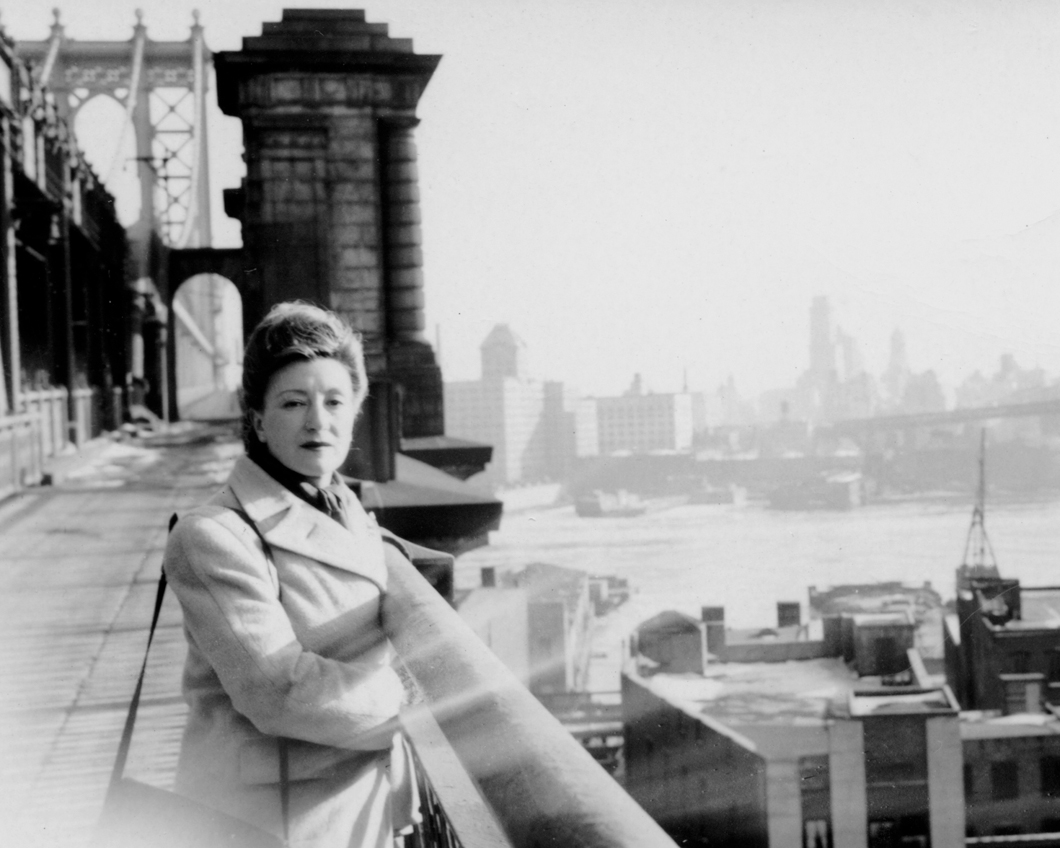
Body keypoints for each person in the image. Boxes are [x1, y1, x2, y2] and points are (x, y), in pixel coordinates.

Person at [163, 301, 417, 848]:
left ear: (355, 412)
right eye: (293, 402)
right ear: (257, 418)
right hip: (264, 819)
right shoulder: (214, 535)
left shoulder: (350, 513)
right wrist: (412, 696)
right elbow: (278, 691)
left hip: (353, 805)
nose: (317, 421)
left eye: (334, 401)